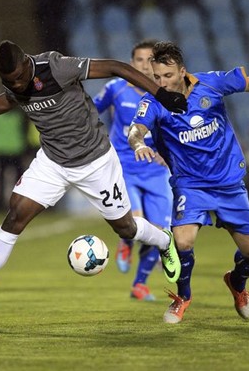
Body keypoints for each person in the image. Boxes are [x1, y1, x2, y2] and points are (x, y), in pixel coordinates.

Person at [0, 40, 187, 323]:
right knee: (14, 218)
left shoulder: (56, 67)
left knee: (126, 228)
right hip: (53, 162)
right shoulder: (15, 82)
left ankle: (163, 239)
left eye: (19, 79)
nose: (16, 85)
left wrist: (160, 94)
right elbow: (8, 100)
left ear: (27, 63)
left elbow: (114, 67)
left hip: (95, 161)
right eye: (9, 81)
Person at [128, 41, 249, 323]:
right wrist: (139, 143)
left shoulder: (210, 84)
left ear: (182, 71)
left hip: (228, 182)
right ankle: (183, 297)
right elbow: (136, 129)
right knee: (183, 240)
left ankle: (237, 284)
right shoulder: (153, 101)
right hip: (190, 184)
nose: (161, 83)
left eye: (167, 76)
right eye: (156, 77)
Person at [92, 39, 173, 302]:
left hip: (156, 171)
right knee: (138, 221)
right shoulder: (116, 88)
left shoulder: (164, 93)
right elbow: (90, 112)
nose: (145, 66)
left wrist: (168, 154)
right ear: (131, 64)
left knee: (160, 231)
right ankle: (126, 241)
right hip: (124, 168)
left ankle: (140, 284)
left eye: (151, 60)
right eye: (140, 60)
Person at [0, 110, 27, 210]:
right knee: (18, 180)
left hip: (2, 149)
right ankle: (18, 202)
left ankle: (0, 204)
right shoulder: (19, 116)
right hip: (15, 149)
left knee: (1, 179)